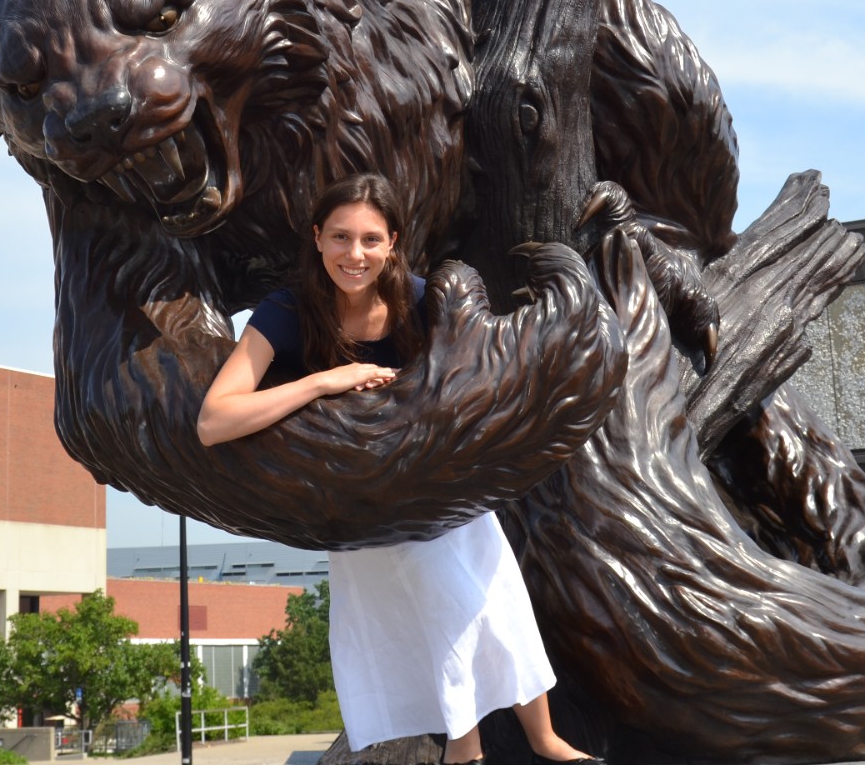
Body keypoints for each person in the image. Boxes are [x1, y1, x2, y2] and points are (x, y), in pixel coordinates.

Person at [198, 173, 599, 765]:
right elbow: (215, 419)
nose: (353, 255)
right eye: (339, 237)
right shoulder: (287, 311)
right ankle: (467, 749)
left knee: (494, 601)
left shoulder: (421, 301)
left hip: (443, 488)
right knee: (444, 607)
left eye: (369, 240)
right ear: (316, 238)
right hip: (363, 504)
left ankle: (540, 739)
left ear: (392, 243)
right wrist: (325, 380)